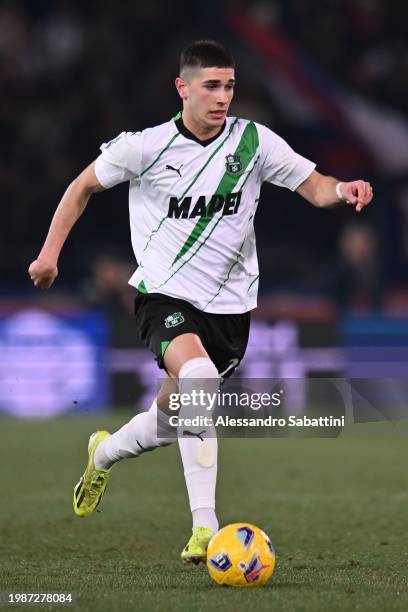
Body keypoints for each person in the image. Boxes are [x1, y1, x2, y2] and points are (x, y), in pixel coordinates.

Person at [28, 40, 373, 564]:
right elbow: (80, 187)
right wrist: (49, 255)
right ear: (182, 88)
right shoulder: (144, 147)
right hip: (161, 295)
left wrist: (342, 187)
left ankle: (102, 453)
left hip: (231, 311)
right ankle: (204, 530)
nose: (222, 97)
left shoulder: (253, 142)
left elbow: (314, 185)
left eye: (229, 86)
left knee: (170, 420)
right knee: (198, 381)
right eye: (211, 86)